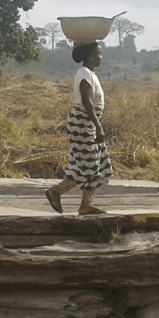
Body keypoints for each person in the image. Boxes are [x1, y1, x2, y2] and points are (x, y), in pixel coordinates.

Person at [45, 41, 114, 215]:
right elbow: (86, 101)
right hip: (83, 122)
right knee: (88, 166)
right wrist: (98, 126)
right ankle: (56, 191)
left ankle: (86, 205)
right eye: (99, 53)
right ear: (91, 56)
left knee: (97, 164)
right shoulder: (84, 73)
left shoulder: (90, 73)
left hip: (88, 121)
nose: (101, 57)